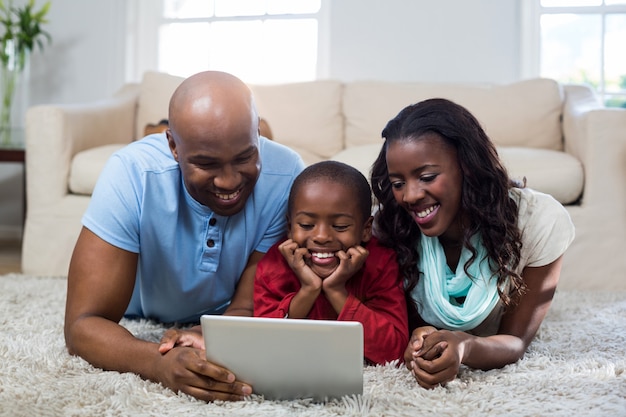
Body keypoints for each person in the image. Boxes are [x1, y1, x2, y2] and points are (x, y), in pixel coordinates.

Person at [63, 70, 305, 402]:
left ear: (258, 133)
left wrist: (211, 332)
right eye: (207, 164)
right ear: (174, 146)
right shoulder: (131, 174)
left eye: (245, 157)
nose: (229, 181)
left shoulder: (288, 175)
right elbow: (82, 325)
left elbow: (246, 306)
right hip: (138, 310)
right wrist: (156, 363)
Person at [370, 98, 575, 389]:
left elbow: (516, 341)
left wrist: (465, 346)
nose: (410, 196)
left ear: (467, 166)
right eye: (398, 182)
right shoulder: (390, 226)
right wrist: (417, 333)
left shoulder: (538, 222)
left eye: (427, 177)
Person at [254, 160, 408, 365]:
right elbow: (263, 344)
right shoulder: (274, 265)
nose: (321, 236)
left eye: (340, 226)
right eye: (307, 225)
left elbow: (394, 350)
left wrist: (336, 290)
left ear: (365, 229)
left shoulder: (381, 264)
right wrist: (308, 290)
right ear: (290, 227)